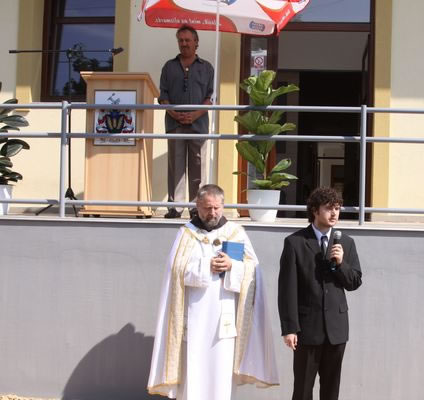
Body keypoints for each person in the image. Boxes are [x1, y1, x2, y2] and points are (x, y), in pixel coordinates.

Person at [148, 184, 279, 400]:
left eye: (217, 208)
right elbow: (176, 270)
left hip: (223, 319)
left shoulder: (235, 233)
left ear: (223, 206)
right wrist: (205, 265)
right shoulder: (187, 233)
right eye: (207, 208)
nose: (213, 213)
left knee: (221, 373)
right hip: (194, 317)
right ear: (197, 206)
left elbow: (253, 271)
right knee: (193, 372)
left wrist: (232, 266)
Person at [278, 187, 363, 400]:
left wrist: (341, 264)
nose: (334, 213)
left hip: (336, 330)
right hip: (307, 330)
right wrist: (290, 328)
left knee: (331, 390)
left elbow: (354, 282)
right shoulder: (295, 242)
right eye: (328, 208)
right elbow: (287, 289)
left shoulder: (346, 242)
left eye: (337, 208)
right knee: (303, 390)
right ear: (315, 210)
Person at [159, 24, 214, 219]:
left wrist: (195, 115)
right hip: (175, 124)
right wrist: (174, 114)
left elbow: (210, 98)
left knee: (198, 168)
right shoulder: (169, 66)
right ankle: (175, 207)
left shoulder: (206, 67)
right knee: (176, 167)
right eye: (181, 40)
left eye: (187, 40)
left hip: (198, 125)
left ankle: (197, 209)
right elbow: (163, 96)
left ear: (196, 42)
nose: (184, 44)